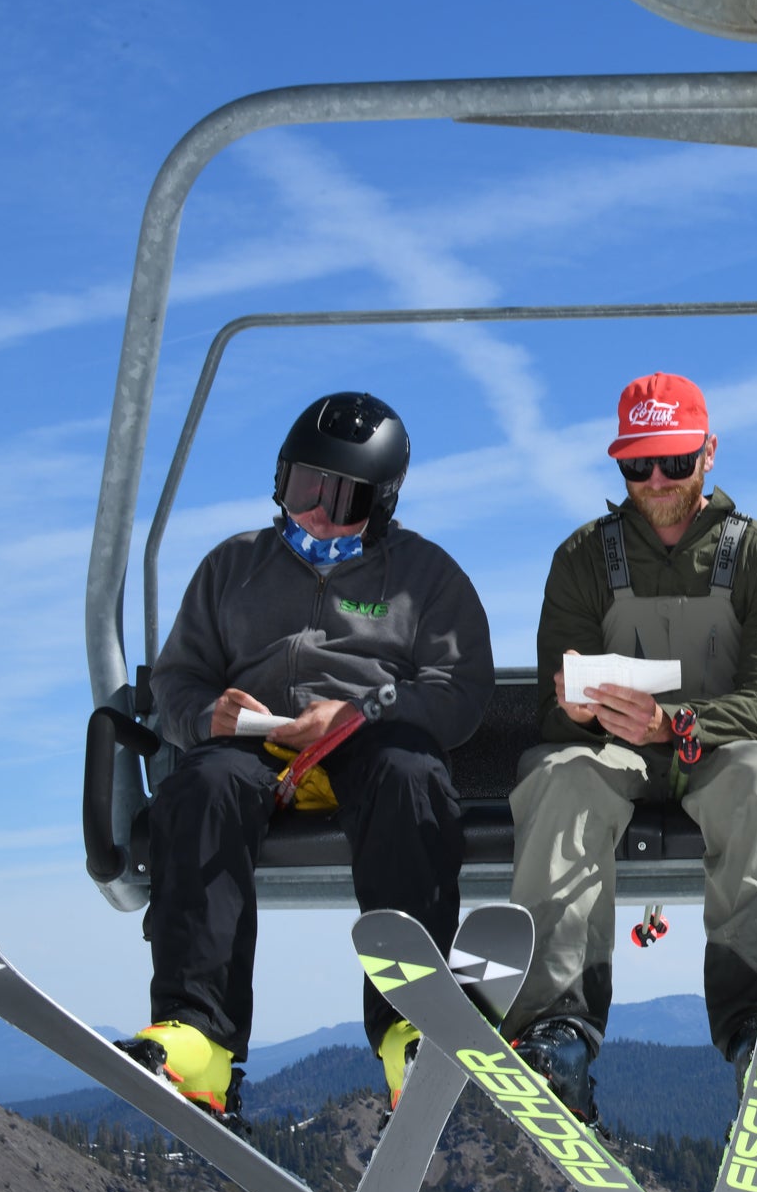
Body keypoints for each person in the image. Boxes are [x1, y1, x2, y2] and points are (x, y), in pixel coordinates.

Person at [131, 391, 494, 1115]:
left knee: (409, 776)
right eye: (305, 488)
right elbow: (178, 678)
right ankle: (199, 1037)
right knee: (200, 788)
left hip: (367, 745)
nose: (320, 514)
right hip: (257, 749)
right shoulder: (233, 566)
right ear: (280, 478)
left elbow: (460, 691)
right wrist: (211, 712)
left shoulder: (424, 576)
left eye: (346, 499)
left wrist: (366, 710)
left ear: (384, 504)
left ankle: (409, 1028)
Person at [505, 371, 757, 1119]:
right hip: (615, 751)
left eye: (675, 462)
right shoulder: (584, 556)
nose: (657, 482)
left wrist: (675, 723)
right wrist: (577, 710)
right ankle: (558, 1025)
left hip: (711, 748)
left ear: (709, 454)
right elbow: (552, 715)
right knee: (561, 778)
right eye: (637, 465)